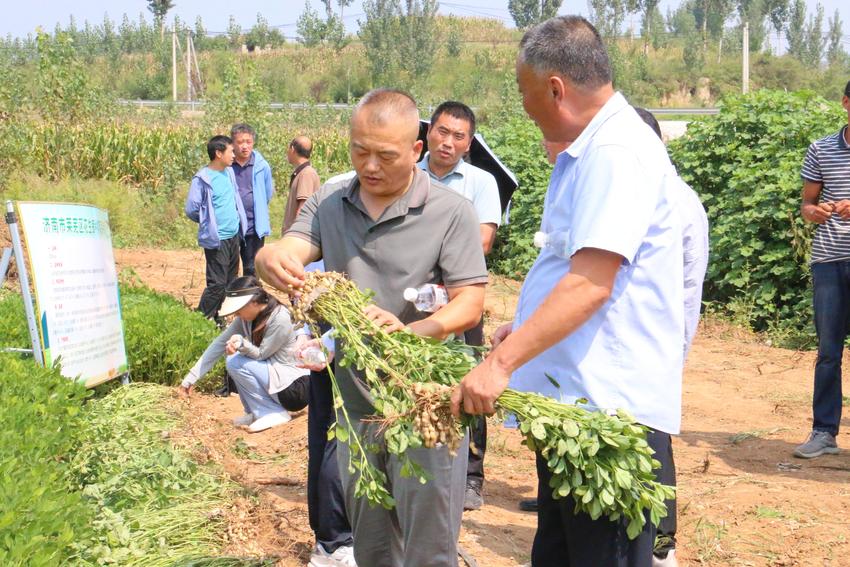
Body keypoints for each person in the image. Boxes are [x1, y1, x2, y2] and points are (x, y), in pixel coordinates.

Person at [451, 16, 684, 567]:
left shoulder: (615, 152)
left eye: (523, 91)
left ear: (554, 88)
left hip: (608, 415)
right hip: (579, 408)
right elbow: (570, 266)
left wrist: (500, 364)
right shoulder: (591, 148)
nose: (523, 105)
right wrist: (530, 331)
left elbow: (590, 284)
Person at [256, 88, 487, 567]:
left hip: (426, 404)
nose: (370, 166)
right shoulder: (329, 202)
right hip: (357, 403)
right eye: (360, 151)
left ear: (415, 151)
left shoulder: (451, 212)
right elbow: (292, 246)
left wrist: (414, 332)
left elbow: (471, 302)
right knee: (372, 543)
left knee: (428, 546)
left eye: (385, 155)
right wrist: (270, 258)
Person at [634, 106, 709, 567]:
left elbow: (689, 286)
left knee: (653, 439)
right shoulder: (632, 196)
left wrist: (675, 352)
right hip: (627, 345)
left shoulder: (679, 202)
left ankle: (662, 543)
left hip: (657, 344)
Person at [418, 100, 502, 511]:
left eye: (459, 136)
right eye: (442, 132)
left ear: (469, 144)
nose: (448, 142)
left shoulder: (481, 183)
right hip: (411, 301)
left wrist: (425, 248)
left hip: (460, 298)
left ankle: (471, 476)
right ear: (428, 132)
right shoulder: (407, 174)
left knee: (469, 381)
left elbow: (482, 241)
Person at [794, 80, 850, 460]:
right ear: (846, 102)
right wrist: (815, 212)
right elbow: (807, 205)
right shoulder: (822, 148)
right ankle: (824, 433)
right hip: (830, 261)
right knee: (829, 352)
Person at [178, 276, 310, 433]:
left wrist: (241, 343)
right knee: (234, 360)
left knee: (236, 361)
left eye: (239, 310)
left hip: (294, 389)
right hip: (277, 381)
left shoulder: (280, 318)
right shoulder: (246, 318)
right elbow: (218, 344)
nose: (236, 315)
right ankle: (255, 412)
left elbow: (262, 355)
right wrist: (190, 379)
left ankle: (270, 412)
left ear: (254, 302)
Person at [185, 135, 248, 322]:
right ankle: (199, 321)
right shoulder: (202, 178)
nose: (234, 155)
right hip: (217, 238)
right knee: (217, 284)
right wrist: (208, 223)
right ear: (218, 153)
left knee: (230, 282)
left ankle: (218, 319)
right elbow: (191, 209)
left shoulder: (228, 173)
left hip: (233, 235)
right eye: (230, 151)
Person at [230, 123, 275, 278]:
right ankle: (232, 299)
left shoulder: (262, 166)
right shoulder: (227, 165)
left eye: (248, 142)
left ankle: (252, 299)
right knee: (231, 268)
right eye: (240, 142)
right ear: (232, 144)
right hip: (232, 226)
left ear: (253, 143)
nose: (244, 146)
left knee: (252, 268)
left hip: (254, 226)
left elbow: (268, 193)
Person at [282, 136, 321, 234]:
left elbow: (302, 209)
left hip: (297, 237)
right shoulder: (302, 172)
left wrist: (295, 235)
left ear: (292, 149)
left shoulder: (306, 174)